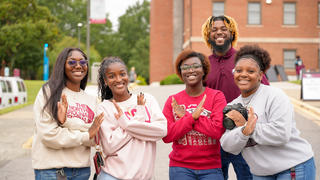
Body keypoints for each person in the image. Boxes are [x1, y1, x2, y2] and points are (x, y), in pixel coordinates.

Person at [220, 45, 316, 180]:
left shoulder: (275, 96)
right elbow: (227, 144)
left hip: (292, 167)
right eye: (239, 70)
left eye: (251, 71)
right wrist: (243, 131)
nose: (243, 74)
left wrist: (249, 128)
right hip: (260, 173)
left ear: (260, 76)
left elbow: (281, 133)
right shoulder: (232, 105)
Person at [201, 15, 270, 180]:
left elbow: (265, 93)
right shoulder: (203, 64)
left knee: (248, 177)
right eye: (214, 30)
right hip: (215, 139)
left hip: (244, 135)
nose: (219, 33)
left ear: (232, 33)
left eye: (224, 29)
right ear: (208, 35)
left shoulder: (245, 60)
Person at [32, 47, 104, 180]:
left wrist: (65, 124)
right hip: (52, 170)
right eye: (72, 62)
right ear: (62, 65)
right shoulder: (49, 93)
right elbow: (49, 136)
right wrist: (86, 134)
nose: (78, 66)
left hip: (82, 171)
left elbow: (96, 138)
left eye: (83, 62)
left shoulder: (91, 100)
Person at [96, 57, 167, 180]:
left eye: (122, 74)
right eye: (112, 76)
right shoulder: (104, 108)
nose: (118, 79)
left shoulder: (146, 99)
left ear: (128, 76)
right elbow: (109, 146)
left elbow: (161, 131)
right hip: (113, 176)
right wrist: (139, 120)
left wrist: (126, 124)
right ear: (105, 81)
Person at [162, 50, 227, 180]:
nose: (190, 70)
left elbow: (218, 130)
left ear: (204, 70)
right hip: (180, 167)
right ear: (180, 72)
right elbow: (167, 135)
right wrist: (191, 118)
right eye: (185, 67)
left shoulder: (216, 97)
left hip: (211, 168)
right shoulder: (173, 100)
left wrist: (188, 117)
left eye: (196, 66)